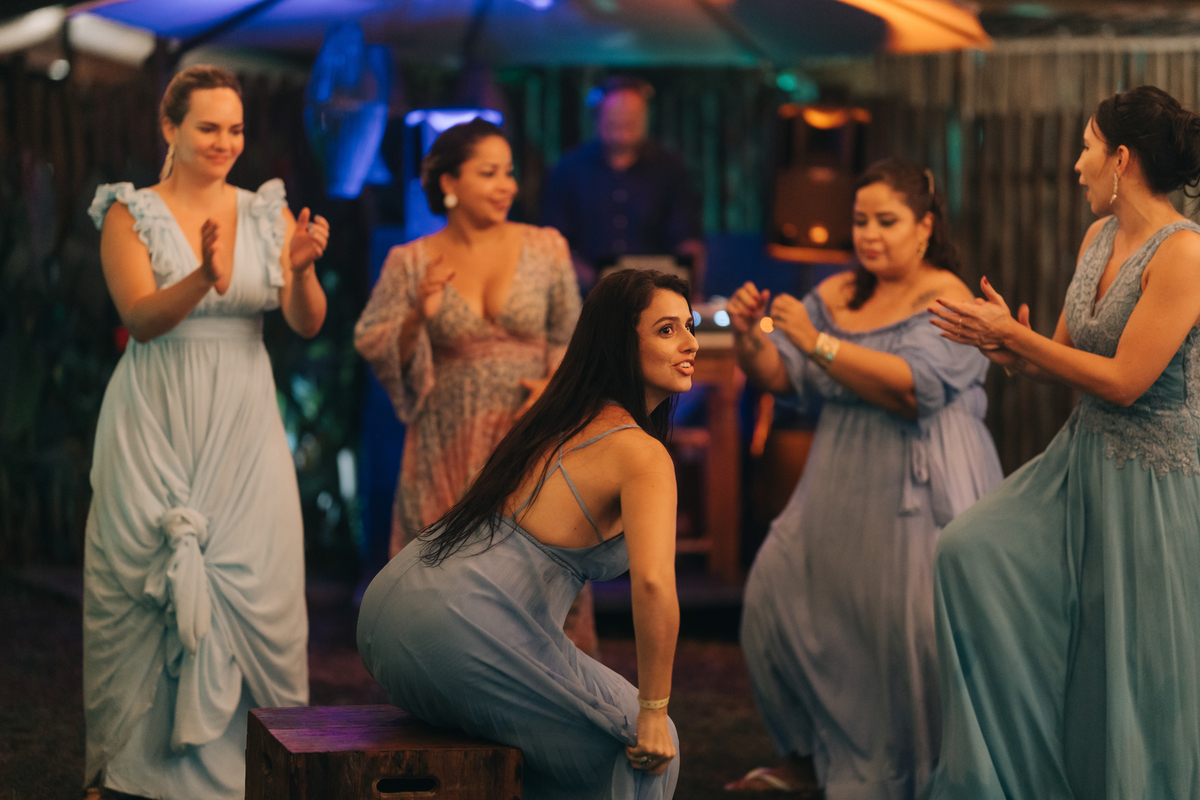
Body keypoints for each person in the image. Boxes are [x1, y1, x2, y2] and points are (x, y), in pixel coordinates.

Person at [924, 85, 1200, 799]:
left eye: (1085, 147)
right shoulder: (1097, 237)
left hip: (1153, 483)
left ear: (1122, 159)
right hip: (1080, 458)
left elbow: (1124, 382)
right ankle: (1014, 777)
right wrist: (1005, 345)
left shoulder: (1185, 255)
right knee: (966, 549)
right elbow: (1061, 359)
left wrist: (1021, 343)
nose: (1076, 165)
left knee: (1133, 666)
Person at [83, 65, 328, 799]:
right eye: (208, 127)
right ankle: (131, 770)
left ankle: (258, 767)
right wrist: (203, 276)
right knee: (139, 586)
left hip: (244, 418)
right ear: (171, 128)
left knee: (264, 579)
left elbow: (304, 321)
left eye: (236, 128)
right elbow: (141, 319)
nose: (225, 142)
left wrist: (305, 271)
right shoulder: (133, 212)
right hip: (157, 411)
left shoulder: (265, 210)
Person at [357, 269, 694, 799]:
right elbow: (653, 585)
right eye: (668, 329)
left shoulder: (559, 416)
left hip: (388, 615)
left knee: (576, 745)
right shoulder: (642, 454)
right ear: (620, 343)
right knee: (642, 750)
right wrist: (653, 711)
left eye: (689, 326)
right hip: (460, 628)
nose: (691, 342)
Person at [725, 158, 1003, 797]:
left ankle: (924, 770)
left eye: (887, 221)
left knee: (908, 630)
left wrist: (819, 344)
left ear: (925, 227)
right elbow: (779, 376)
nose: (869, 234)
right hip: (840, 472)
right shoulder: (839, 295)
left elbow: (917, 390)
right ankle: (811, 752)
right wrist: (747, 338)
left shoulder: (951, 297)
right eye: (859, 221)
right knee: (776, 597)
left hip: (923, 473)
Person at [353, 118, 593, 647]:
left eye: (509, 173)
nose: (506, 185)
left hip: (530, 439)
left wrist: (553, 389)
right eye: (489, 173)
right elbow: (375, 341)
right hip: (447, 443)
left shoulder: (547, 247)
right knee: (446, 594)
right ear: (449, 184)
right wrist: (418, 313)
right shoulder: (410, 261)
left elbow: (574, 338)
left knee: (536, 588)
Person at [541, 75, 704, 297]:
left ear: (645, 117)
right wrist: (601, 283)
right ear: (598, 118)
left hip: (655, 295)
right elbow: (553, 243)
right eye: (614, 121)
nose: (622, 128)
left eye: (630, 120)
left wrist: (690, 291)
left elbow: (688, 239)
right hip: (586, 297)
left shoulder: (670, 168)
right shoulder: (569, 168)